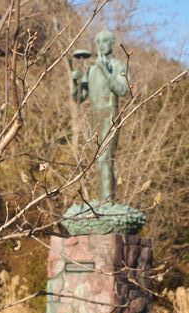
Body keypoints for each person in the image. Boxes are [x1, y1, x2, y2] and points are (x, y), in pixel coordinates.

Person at [72, 30, 129, 203]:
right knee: (99, 161)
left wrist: (106, 72)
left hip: (110, 114)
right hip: (95, 116)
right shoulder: (90, 70)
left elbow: (123, 90)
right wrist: (74, 81)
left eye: (105, 41)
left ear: (112, 43)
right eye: (98, 42)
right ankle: (105, 200)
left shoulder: (119, 65)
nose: (101, 45)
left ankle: (107, 202)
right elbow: (79, 98)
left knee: (105, 159)